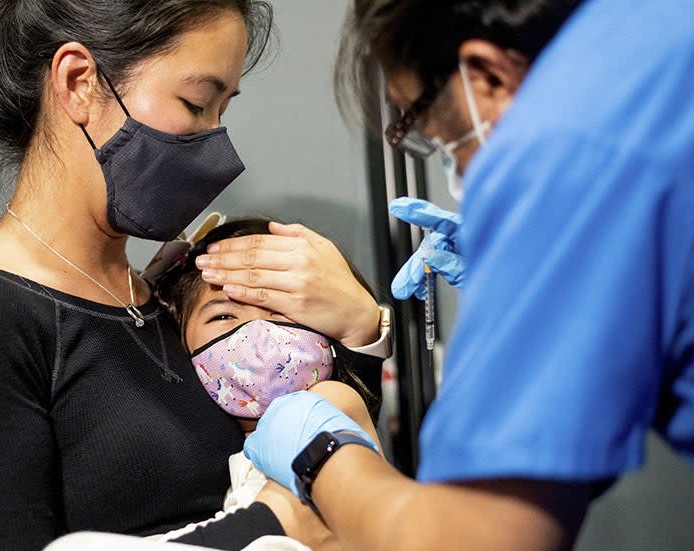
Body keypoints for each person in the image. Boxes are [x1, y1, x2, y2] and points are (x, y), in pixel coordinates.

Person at [0, 2, 388, 550]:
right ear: (80, 83)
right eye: (197, 103)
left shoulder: (174, 303)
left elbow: (318, 458)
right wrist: (274, 524)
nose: (216, 142)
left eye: (223, 111)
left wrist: (362, 332)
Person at [228, 0, 693, 549]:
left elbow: (477, 536)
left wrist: (319, 455)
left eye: (424, 128)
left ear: (488, 73)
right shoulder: (652, 36)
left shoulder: (568, 152)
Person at [148, 218, 389, 546]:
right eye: (223, 316)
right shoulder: (209, 455)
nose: (258, 330)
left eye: (279, 310)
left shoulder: (327, 406)